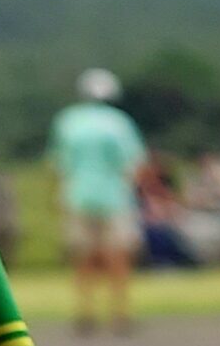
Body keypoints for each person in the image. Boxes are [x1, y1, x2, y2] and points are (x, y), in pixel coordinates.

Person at [49, 68, 151, 332]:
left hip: (77, 195)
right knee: (117, 254)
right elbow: (134, 163)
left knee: (82, 255)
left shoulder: (68, 121)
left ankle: (85, 312)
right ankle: (121, 312)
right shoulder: (119, 122)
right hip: (114, 196)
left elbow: (59, 164)